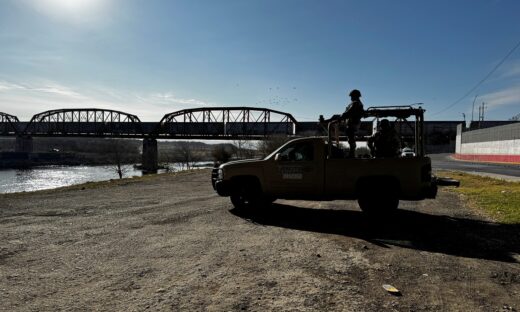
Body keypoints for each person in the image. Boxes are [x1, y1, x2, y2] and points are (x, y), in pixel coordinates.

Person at [341, 89, 364, 157]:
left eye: (352, 96)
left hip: (353, 123)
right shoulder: (355, 103)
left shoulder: (356, 103)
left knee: (351, 139)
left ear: (355, 96)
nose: (351, 98)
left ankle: (352, 154)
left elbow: (349, 112)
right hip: (352, 123)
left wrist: (342, 116)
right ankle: (351, 153)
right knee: (350, 138)